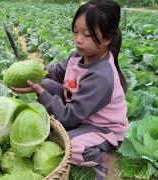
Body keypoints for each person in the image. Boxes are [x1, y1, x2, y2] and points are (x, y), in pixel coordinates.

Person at [11, 0, 129, 179]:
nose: (78, 39)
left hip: (102, 127)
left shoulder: (102, 77)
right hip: (81, 112)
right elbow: (55, 73)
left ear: (107, 39)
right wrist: (31, 75)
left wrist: (41, 94)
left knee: (70, 146)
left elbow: (70, 116)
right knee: (46, 84)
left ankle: (101, 157)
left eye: (87, 35)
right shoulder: (80, 54)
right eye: (75, 32)